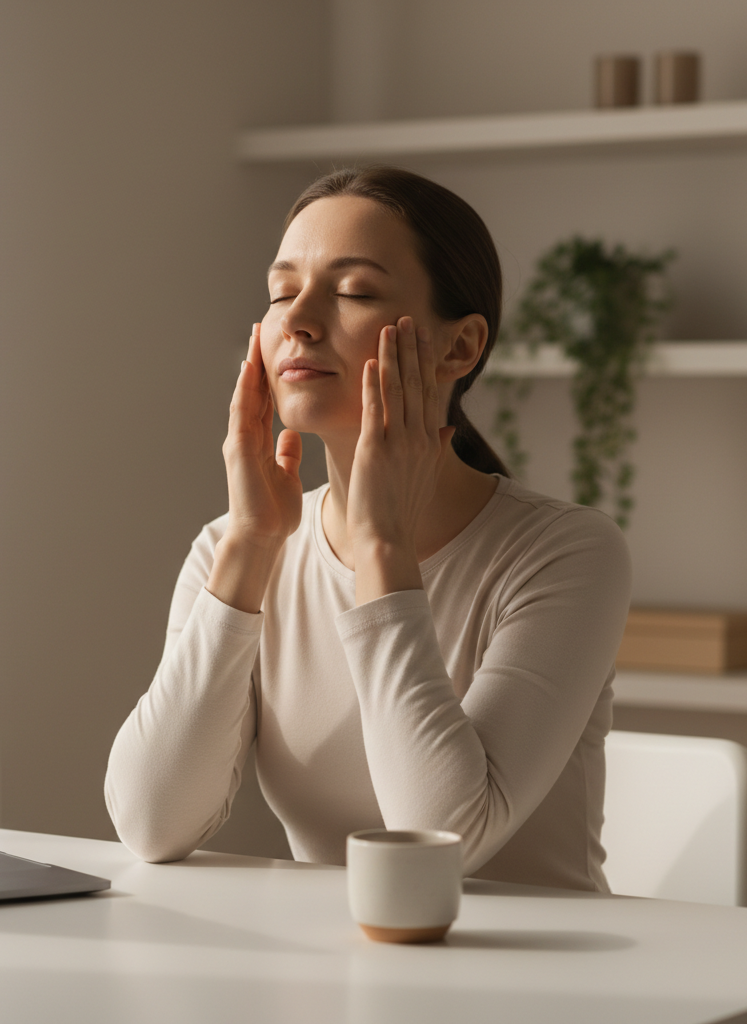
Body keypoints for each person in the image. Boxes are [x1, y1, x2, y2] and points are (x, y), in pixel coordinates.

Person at [105, 167, 631, 892]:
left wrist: (382, 549)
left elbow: (444, 838)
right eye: (282, 291)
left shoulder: (564, 553)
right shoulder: (237, 547)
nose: (299, 320)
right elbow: (151, 823)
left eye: (353, 291)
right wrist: (252, 546)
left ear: (459, 348)